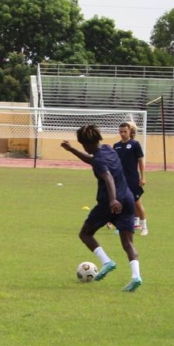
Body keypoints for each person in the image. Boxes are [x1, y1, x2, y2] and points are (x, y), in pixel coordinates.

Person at [62, 124, 142, 292]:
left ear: (87, 144)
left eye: (82, 145)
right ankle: (136, 276)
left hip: (109, 203)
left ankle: (107, 262)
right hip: (127, 199)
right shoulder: (107, 149)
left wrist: (112, 200)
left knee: (85, 234)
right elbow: (92, 161)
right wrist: (72, 150)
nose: (83, 147)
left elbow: (107, 177)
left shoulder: (98, 159)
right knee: (128, 242)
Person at [114, 121, 148, 236]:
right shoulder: (116, 146)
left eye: (125, 131)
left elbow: (140, 162)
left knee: (137, 203)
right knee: (121, 203)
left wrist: (143, 177)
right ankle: (123, 226)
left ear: (129, 132)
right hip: (120, 180)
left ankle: (144, 227)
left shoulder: (135, 144)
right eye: (121, 132)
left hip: (133, 179)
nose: (122, 134)